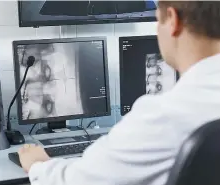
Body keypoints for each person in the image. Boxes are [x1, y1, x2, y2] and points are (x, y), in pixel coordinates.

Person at [18, 1, 220, 185]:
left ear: (173, 21)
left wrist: (38, 165)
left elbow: (77, 181)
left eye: (158, 21)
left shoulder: (162, 116)